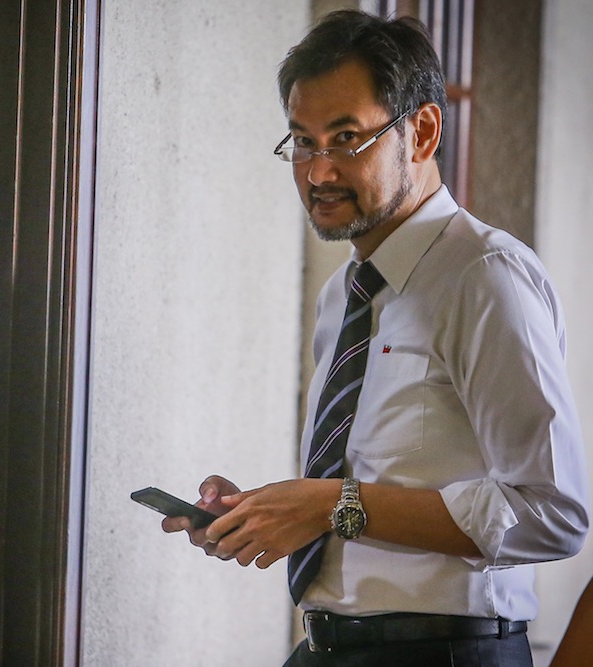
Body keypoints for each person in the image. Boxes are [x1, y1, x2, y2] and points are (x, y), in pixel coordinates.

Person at [162, 10, 588, 666]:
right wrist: (269, 511)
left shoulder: (486, 278)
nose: (318, 172)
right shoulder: (346, 294)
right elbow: (363, 483)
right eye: (302, 141)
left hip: (442, 653)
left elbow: (553, 511)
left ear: (420, 132)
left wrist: (335, 504)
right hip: (327, 645)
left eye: (346, 138)